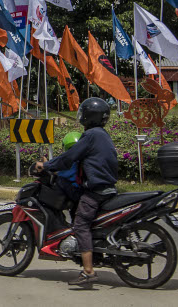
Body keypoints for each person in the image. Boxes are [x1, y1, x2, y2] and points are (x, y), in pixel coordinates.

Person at [35, 97, 117, 287]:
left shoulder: (90, 136)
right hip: (106, 188)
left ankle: (88, 271)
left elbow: (68, 158)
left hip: (96, 190)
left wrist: (45, 165)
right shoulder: (102, 134)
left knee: (80, 224)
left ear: (89, 116)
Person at [55, 131, 83, 209]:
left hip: (76, 191)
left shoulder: (71, 162)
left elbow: (61, 174)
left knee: (58, 180)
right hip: (84, 189)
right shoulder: (84, 158)